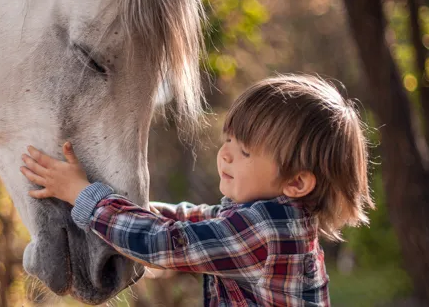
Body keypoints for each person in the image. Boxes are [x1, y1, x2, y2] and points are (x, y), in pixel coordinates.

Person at [19, 74, 374, 306]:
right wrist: (134, 206)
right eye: (229, 139)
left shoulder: (263, 231)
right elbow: (194, 220)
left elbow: (167, 243)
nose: (226, 154)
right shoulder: (276, 218)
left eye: (245, 151)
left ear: (297, 182)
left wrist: (84, 197)